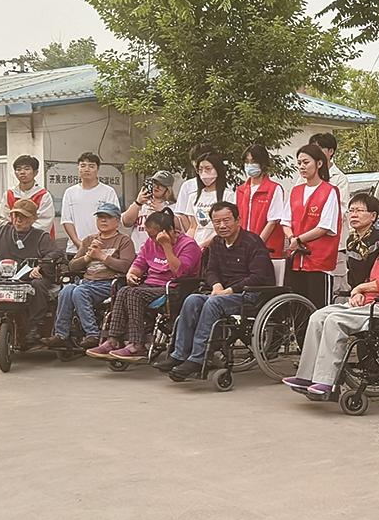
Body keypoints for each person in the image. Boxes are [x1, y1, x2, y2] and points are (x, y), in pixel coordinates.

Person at [286, 205, 379, 399]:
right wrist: (359, 294)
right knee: (318, 316)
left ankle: (326, 381)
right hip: (370, 302)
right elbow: (372, 279)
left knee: (334, 321)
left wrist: (361, 289)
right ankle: (306, 376)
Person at [165, 197, 277, 379]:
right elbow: (211, 270)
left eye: (226, 220)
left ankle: (198, 358)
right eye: (217, 222)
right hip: (222, 292)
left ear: (238, 220)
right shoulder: (217, 243)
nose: (222, 225)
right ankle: (179, 355)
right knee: (192, 300)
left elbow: (258, 277)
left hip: (250, 294)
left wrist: (229, 291)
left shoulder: (252, 242)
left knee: (213, 303)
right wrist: (217, 285)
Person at [94, 207, 200, 361]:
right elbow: (139, 263)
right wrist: (132, 274)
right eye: (150, 236)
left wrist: (166, 246)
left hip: (173, 288)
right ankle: (113, 340)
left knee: (134, 294)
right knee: (123, 290)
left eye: (156, 236)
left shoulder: (188, 245)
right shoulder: (150, 243)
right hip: (150, 286)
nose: (153, 240)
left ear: (170, 231)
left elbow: (179, 272)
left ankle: (137, 344)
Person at [54, 199, 133, 353]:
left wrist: (102, 257)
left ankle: (92, 334)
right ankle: (61, 334)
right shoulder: (89, 240)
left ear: (117, 221)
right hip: (87, 282)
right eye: (100, 217)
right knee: (66, 290)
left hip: (109, 283)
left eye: (108, 217)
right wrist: (87, 258)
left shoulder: (124, 241)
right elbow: (72, 266)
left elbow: (126, 266)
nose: (103, 220)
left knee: (79, 291)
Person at [0, 195, 60, 330]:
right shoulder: (2, 231)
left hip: (31, 277)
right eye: (16, 215)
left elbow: (56, 253)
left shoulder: (41, 236)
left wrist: (40, 267)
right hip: (6, 276)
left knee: (38, 285)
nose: (18, 220)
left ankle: (34, 328)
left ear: (33, 219)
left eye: (23, 217)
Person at [281, 142, 341, 308]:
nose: (302, 166)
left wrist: (299, 239)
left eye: (306, 162)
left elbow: (325, 227)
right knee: (295, 307)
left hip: (318, 261)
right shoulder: (296, 191)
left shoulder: (329, 191)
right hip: (296, 260)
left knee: (317, 307)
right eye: (299, 163)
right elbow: (285, 221)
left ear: (319, 163)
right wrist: (292, 238)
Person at [57, 152, 121, 254]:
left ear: (97, 169)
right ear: (78, 168)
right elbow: (66, 220)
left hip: (102, 248)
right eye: (83, 166)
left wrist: (99, 244)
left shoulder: (108, 192)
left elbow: (114, 218)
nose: (87, 169)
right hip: (75, 249)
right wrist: (80, 244)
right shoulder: (70, 192)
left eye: (91, 166)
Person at [234, 145, 290, 260]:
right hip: (242, 250)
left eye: (253, 162)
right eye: (247, 162)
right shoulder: (240, 190)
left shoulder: (274, 189)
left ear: (263, 164)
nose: (250, 165)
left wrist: (256, 245)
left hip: (266, 250)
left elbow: (272, 222)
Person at [174, 148, 230, 241]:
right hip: (198, 243)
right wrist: (188, 243)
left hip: (219, 243)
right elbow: (193, 227)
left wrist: (205, 244)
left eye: (208, 169)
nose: (204, 173)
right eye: (200, 170)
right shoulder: (193, 197)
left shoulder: (228, 195)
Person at [339, 190, 379, 288]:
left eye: (359, 211)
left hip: (375, 289)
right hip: (357, 291)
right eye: (351, 211)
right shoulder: (351, 240)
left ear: (373, 216)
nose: (354, 215)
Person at [3, 153, 51, 229]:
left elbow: (44, 222)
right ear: (15, 173)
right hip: (13, 235)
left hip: (37, 235)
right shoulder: (9, 194)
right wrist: (14, 232)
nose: (22, 172)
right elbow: (4, 219)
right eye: (18, 169)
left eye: (27, 169)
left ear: (35, 172)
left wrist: (24, 231)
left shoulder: (43, 195)